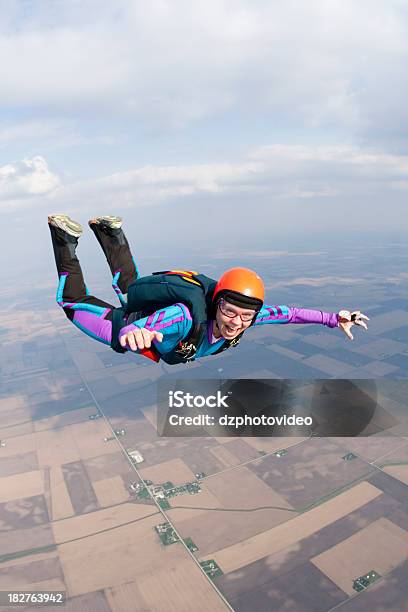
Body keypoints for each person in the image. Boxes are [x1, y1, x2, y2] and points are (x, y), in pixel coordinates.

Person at [48, 214, 369, 365]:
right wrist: (136, 334)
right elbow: (142, 331)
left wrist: (332, 319)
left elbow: (290, 314)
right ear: (216, 304)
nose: (236, 322)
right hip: (123, 326)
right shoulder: (182, 318)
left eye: (246, 317)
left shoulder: (247, 318)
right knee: (71, 301)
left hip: (150, 322)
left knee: (131, 289)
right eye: (230, 311)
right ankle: (64, 237)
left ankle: (110, 231)